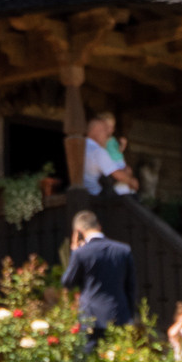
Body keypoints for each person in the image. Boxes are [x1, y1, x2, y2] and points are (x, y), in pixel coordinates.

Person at [60, 210, 136, 348]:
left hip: (91, 316)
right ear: (99, 226)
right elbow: (131, 287)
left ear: (78, 232)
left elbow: (68, 282)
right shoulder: (123, 250)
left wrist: (74, 252)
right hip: (119, 314)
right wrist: (130, 314)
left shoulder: (81, 253)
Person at [79, 113, 138, 197]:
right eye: (104, 130)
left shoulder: (82, 144)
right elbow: (118, 175)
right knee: (127, 193)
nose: (107, 134)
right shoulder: (98, 151)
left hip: (84, 190)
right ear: (96, 131)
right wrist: (132, 182)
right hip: (95, 196)